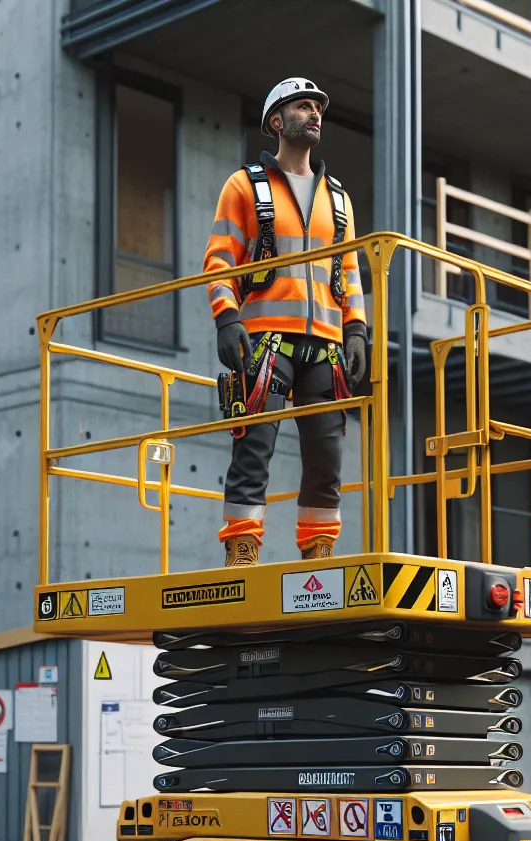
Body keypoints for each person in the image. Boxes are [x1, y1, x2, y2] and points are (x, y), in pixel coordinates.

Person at [204, 75, 369, 567]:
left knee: (326, 461)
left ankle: (317, 557)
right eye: (302, 106)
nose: (315, 113)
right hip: (264, 343)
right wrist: (226, 319)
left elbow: (351, 272)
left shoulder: (338, 199)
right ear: (276, 121)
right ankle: (242, 553)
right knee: (253, 452)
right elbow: (219, 261)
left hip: (324, 347)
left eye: (318, 107)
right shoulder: (243, 186)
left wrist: (357, 329)